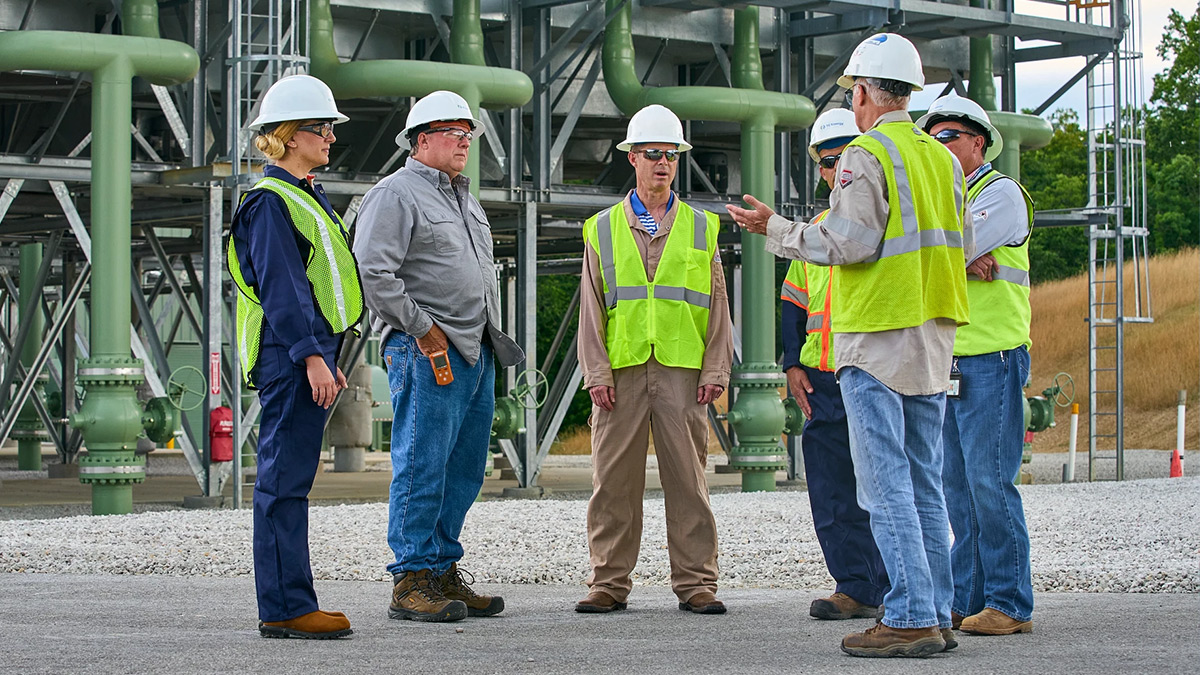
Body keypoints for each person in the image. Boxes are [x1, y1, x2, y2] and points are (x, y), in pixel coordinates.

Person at [726, 33, 972, 658]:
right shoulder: (941, 159)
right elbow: (961, 243)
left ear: (862, 94)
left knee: (883, 483)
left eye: (853, 94)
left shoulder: (867, 154)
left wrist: (774, 228)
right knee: (923, 479)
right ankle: (937, 610)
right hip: (932, 332)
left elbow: (848, 242)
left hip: (875, 336)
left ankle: (911, 614)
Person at [354, 90, 524, 623]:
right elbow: (372, 273)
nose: (464, 142)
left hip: (474, 350)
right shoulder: (395, 194)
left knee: (464, 468)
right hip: (428, 350)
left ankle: (442, 569)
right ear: (421, 139)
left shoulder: (464, 199)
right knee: (421, 462)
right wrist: (423, 330)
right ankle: (411, 579)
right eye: (455, 133)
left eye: (468, 134)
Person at [575, 104, 733, 616]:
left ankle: (696, 583)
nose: (662, 163)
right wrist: (595, 372)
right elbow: (592, 307)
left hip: (682, 372)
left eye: (670, 154)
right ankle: (608, 583)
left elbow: (718, 306)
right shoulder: (601, 229)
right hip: (619, 373)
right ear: (632, 159)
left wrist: (716, 370)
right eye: (651, 154)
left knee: (687, 480)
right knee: (612, 483)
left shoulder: (701, 227)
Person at [228, 74, 361, 640]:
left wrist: (328, 352)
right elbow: (284, 288)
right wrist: (311, 356)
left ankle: (290, 600)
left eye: (330, 127)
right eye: (321, 127)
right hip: (289, 354)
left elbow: (317, 286)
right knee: (283, 480)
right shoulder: (269, 202)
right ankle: (285, 607)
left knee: (293, 478)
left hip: (307, 350)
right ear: (286, 136)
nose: (331, 136)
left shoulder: (304, 195)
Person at [918, 94, 1036, 636]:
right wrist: (963, 257)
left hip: (994, 356)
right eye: (933, 138)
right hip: (952, 360)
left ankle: (1010, 603)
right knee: (956, 486)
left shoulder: (1001, 193)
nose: (939, 146)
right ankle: (967, 600)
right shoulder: (946, 202)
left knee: (990, 481)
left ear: (978, 143)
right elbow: (926, 253)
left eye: (949, 137)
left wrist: (956, 252)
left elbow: (935, 252)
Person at [780, 108, 889, 622]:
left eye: (843, 158)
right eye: (826, 163)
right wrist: (790, 364)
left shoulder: (883, 223)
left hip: (872, 372)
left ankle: (898, 586)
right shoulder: (817, 232)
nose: (834, 172)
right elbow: (794, 301)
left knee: (884, 486)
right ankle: (855, 585)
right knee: (831, 488)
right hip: (822, 379)